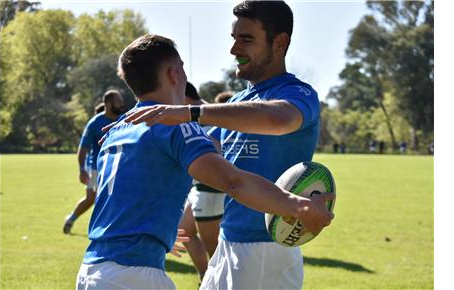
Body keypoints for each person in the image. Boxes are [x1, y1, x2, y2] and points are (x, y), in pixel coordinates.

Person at [75, 34, 334, 290]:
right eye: (183, 69)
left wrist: (158, 227)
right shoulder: (176, 126)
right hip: (132, 277)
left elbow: (128, 189)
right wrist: (300, 207)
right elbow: (233, 181)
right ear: (175, 74)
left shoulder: (120, 128)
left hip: (92, 269)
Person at [179, 82, 226, 282]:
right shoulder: (199, 115)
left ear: (184, 98)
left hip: (211, 189)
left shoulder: (209, 117)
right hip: (199, 188)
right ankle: (205, 278)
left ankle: (221, 283)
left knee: (214, 248)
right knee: (184, 231)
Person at [62, 90, 125, 234]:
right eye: (118, 101)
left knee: (112, 198)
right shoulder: (95, 123)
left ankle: (113, 232)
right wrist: (81, 169)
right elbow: (83, 149)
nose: (122, 104)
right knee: (92, 198)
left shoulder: (123, 121)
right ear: (108, 104)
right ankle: (73, 220)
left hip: (117, 167)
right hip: (96, 168)